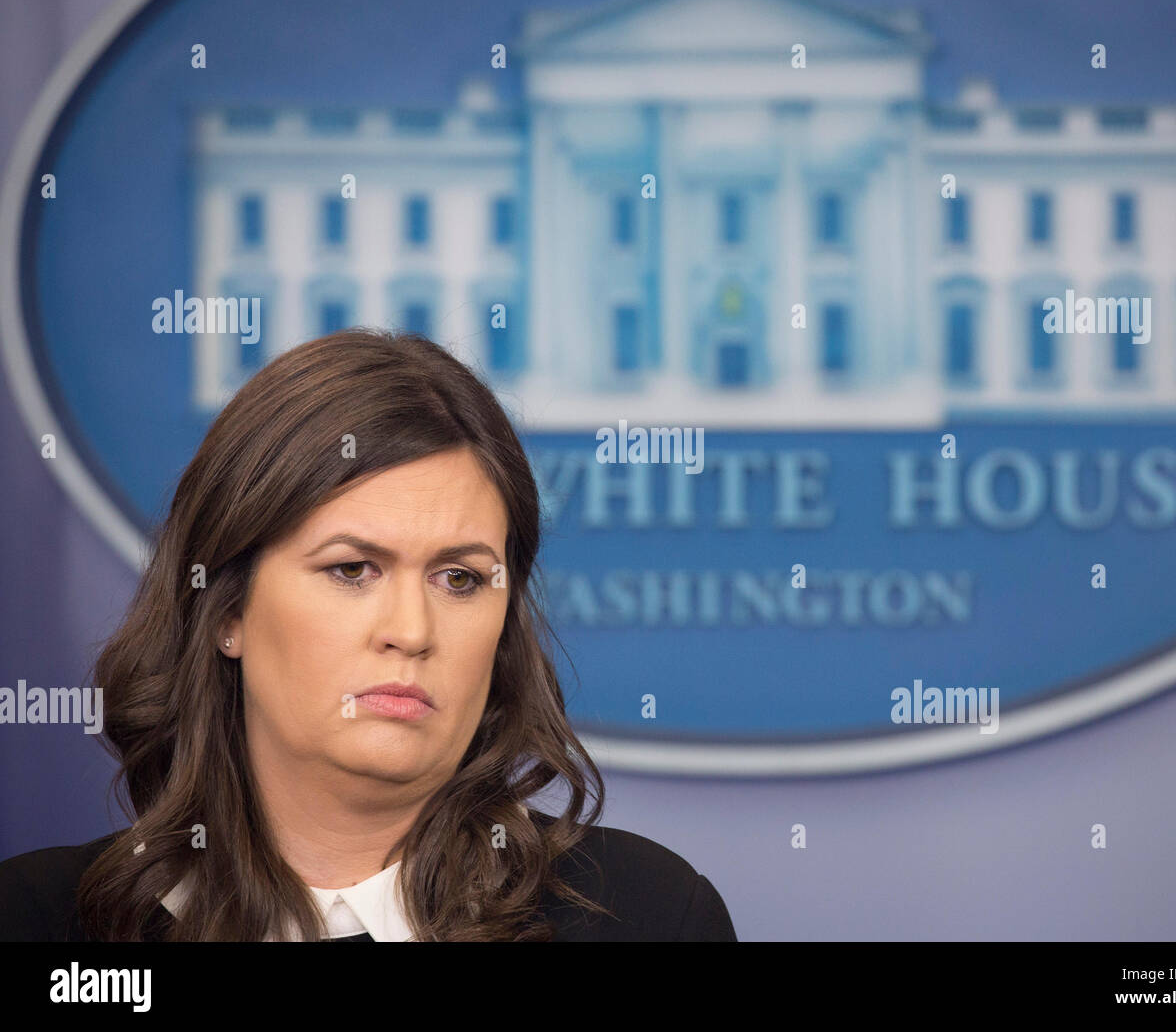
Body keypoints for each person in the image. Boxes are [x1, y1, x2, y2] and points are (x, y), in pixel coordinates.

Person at [0, 329, 736, 942]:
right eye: (352, 569)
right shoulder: (38, 920)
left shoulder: (650, 916)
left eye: (461, 578)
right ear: (227, 609)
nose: (412, 632)